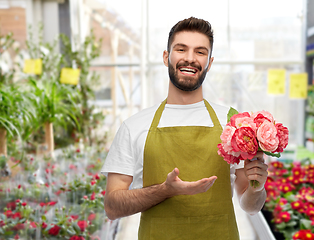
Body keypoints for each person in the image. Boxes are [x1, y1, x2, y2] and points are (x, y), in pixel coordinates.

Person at [101, 16, 268, 240]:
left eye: (200, 52)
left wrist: (257, 188)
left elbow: (249, 206)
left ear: (209, 62)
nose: (190, 59)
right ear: (166, 56)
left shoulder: (233, 123)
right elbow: (112, 206)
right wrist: (166, 190)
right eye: (181, 49)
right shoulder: (134, 126)